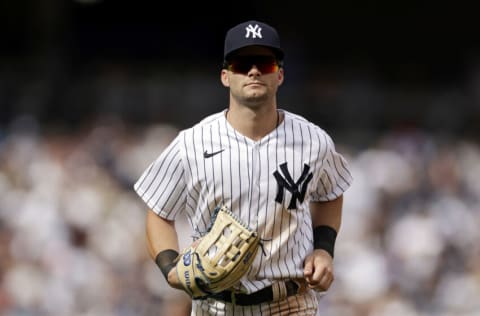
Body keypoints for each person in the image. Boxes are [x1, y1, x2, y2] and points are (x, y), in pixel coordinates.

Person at [134, 20, 353, 315]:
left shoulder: (313, 141)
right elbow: (158, 211)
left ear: (280, 75)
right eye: (241, 64)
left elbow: (330, 193)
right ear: (225, 76)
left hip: (290, 302)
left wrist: (324, 248)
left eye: (265, 63)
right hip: (217, 306)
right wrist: (170, 267)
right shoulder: (192, 143)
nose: (253, 71)